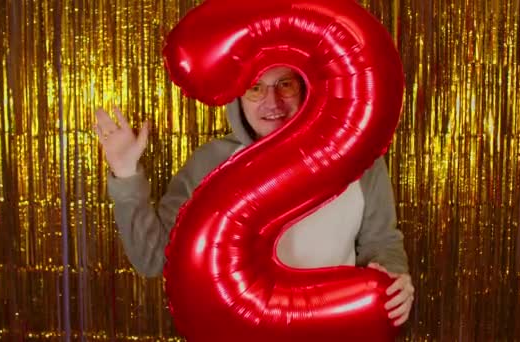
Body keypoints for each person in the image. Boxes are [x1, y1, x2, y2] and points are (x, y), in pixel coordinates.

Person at [95, 66, 414, 326]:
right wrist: (126, 176)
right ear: (238, 97)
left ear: (305, 87)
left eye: (284, 84)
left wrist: (394, 277)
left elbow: (383, 244)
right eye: (255, 87)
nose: (272, 102)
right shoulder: (209, 162)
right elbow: (153, 260)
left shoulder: (358, 158)